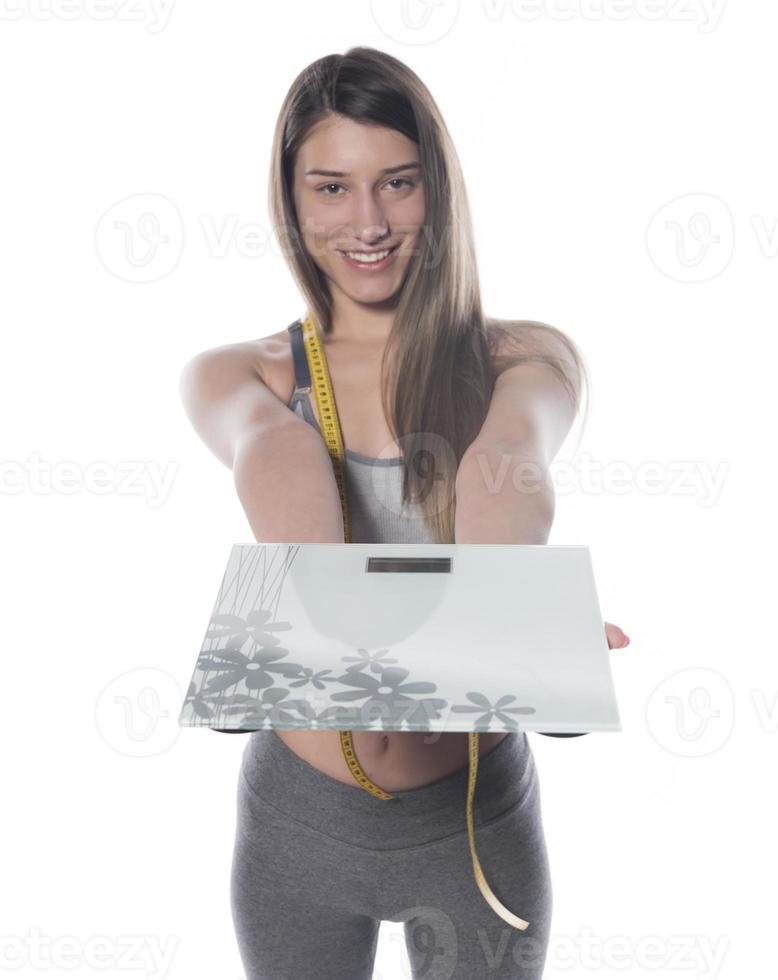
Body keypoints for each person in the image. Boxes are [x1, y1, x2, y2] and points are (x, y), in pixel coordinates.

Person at [179, 45, 630, 980]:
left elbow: (506, 462)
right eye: (332, 188)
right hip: (298, 829)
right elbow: (278, 455)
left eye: (398, 183)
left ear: (440, 191)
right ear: (292, 201)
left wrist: (520, 620)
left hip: (469, 831)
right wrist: (292, 637)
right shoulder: (241, 372)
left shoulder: (522, 358)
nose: (369, 222)